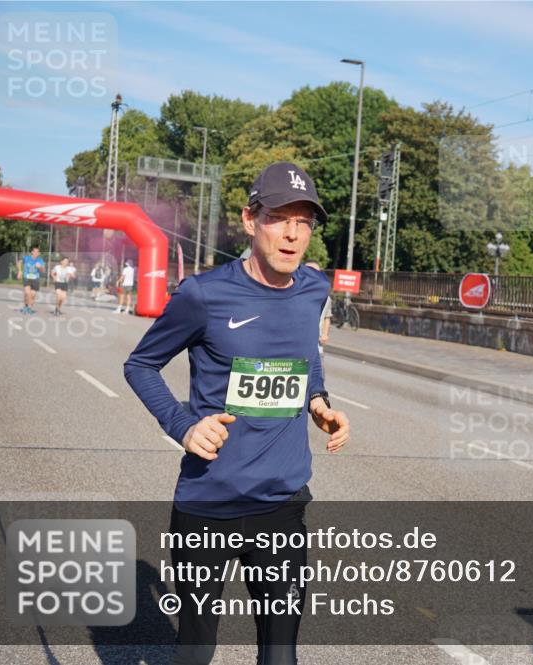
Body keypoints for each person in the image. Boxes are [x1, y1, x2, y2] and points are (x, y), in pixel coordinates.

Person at [124, 162, 350, 665]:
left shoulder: (314, 289)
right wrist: (183, 425)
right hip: (208, 505)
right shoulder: (203, 295)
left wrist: (318, 401)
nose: (293, 234)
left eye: (305, 221)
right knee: (196, 651)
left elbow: (306, 354)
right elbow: (141, 365)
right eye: (279, 218)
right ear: (251, 221)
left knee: (280, 655)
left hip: (282, 505)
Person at [304, 262, 332, 368]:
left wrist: (325, 334)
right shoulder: (292, 295)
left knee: (318, 381)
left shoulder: (326, 298)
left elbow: (326, 317)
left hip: (317, 349)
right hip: (296, 350)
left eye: (315, 272)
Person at [16, 245, 45, 315]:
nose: (36, 253)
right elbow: (19, 262)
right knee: (27, 293)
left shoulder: (40, 260)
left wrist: (40, 267)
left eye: (37, 252)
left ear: (39, 253)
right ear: (32, 252)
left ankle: (29, 308)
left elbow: (43, 270)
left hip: (35, 279)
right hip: (27, 277)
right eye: (34, 251)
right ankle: (27, 306)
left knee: (33, 295)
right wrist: (20, 271)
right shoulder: (26, 258)